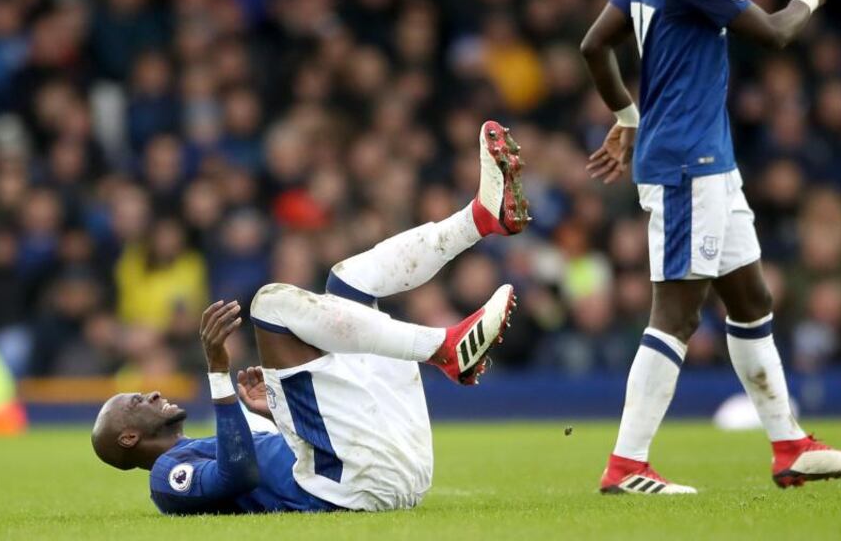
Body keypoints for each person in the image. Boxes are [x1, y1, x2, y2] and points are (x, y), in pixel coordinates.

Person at [91, 122, 528, 514]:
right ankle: (443, 349)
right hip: (351, 485)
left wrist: (277, 413)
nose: (148, 394)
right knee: (269, 305)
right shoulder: (166, 477)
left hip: (386, 466)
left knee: (349, 282)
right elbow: (237, 476)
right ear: (130, 438)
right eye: (135, 403)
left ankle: (479, 218)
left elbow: (259, 465)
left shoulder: (202, 445)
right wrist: (218, 371)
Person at [580, 0, 841, 494]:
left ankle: (790, 447)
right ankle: (626, 464)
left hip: (711, 166)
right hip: (688, 166)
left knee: (751, 299)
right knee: (676, 315)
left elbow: (595, 44)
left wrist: (628, 118)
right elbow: (777, 33)